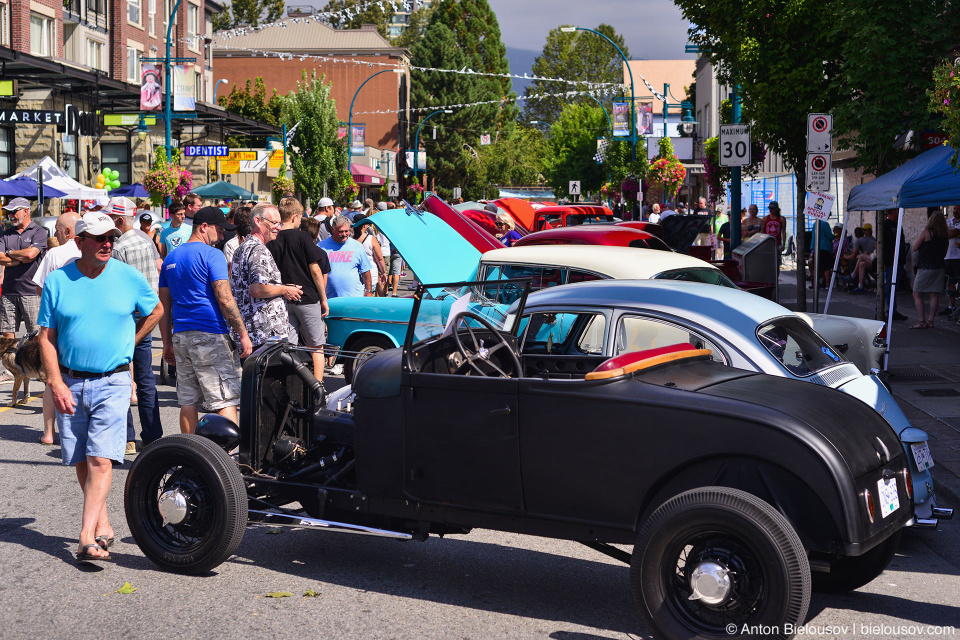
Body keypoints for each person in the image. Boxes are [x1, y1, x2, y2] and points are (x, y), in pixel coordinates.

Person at [36, 211, 162, 562]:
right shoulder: (59, 281)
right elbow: (46, 336)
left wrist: (132, 341)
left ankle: (86, 536)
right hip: (71, 381)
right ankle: (104, 524)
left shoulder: (128, 277)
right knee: (81, 458)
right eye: (99, 238)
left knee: (100, 460)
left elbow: (156, 310)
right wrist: (55, 381)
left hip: (114, 380)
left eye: (111, 237)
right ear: (79, 242)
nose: (107, 243)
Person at [159, 207, 253, 434]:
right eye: (219, 231)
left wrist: (167, 343)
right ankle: (226, 460)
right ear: (204, 227)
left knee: (188, 400)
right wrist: (243, 334)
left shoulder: (171, 257)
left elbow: (164, 306)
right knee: (224, 399)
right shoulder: (213, 255)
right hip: (210, 333)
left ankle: (190, 456)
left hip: (181, 335)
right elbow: (225, 298)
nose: (221, 237)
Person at [110, 205, 164, 453]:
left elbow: (116, 287)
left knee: (122, 378)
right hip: (147, 314)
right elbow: (154, 276)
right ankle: (152, 435)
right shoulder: (145, 241)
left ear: (120, 220)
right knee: (145, 380)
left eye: (111, 220)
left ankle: (128, 439)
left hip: (126, 319)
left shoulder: (119, 247)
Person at [29, 212, 81, 446]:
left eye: (57, 230)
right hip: (83, 324)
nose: (55, 235)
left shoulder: (55, 253)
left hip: (57, 324)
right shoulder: (90, 251)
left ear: (68, 232)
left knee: (54, 378)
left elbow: (41, 289)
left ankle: (49, 433)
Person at [267, 197, 330, 381]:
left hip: (283, 298)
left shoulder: (272, 239)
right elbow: (315, 269)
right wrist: (324, 298)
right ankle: (318, 389)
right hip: (308, 297)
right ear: (295, 217)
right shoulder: (303, 236)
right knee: (316, 346)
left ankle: (291, 386)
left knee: (289, 347)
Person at [230, 203, 300, 352]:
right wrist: (284, 289)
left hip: (254, 332)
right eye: (274, 223)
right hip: (264, 335)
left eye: (279, 223)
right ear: (257, 221)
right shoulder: (258, 250)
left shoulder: (242, 247)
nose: (278, 227)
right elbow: (257, 289)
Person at [317, 215, 373, 375]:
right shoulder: (322, 246)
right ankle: (331, 360)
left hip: (353, 299)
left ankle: (345, 361)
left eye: (347, 231)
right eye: (341, 231)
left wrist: (368, 291)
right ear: (333, 230)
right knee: (331, 331)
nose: (344, 234)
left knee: (351, 330)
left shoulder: (356, 246)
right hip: (330, 299)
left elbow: (366, 271)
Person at [0, 197, 47, 384]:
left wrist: (10, 255)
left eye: (14, 211)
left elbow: (31, 254)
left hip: (30, 289)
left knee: (34, 333)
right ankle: (11, 368)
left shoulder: (39, 232)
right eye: (9, 212)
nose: (11, 215)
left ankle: (37, 365)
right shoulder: (6, 233)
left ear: (26, 211)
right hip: (9, 289)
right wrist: (19, 259)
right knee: (7, 332)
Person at [910, 212, 949, 329]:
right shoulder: (945, 236)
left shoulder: (926, 233)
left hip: (925, 267)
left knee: (917, 293)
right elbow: (945, 253)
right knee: (934, 294)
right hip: (939, 267)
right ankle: (931, 321)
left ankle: (922, 321)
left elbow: (914, 248)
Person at [882, 210, 909, 321]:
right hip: (889, 262)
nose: (899, 215)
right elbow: (881, 244)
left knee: (893, 287)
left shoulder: (898, 226)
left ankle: (893, 311)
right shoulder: (885, 226)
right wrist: (883, 262)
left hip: (899, 261)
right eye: (897, 212)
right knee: (887, 287)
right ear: (891, 213)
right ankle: (880, 310)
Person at [354, 216, 389, 295]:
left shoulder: (350, 239)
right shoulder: (371, 239)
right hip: (370, 275)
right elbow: (379, 259)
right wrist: (383, 272)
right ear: (364, 225)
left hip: (354, 276)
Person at [847, 224, 877, 294]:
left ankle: (853, 275)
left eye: (865, 230)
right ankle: (860, 286)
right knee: (862, 264)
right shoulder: (873, 240)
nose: (863, 231)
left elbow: (853, 255)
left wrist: (845, 257)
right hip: (872, 261)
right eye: (863, 230)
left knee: (859, 258)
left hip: (876, 261)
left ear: (870, 230)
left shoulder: (861, 241)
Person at [223, 205, 252, 273]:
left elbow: (230, 273)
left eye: (227, 218)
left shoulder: (231, 244)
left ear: (234, 221)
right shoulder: (262, 240)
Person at [943, 205, 960, 317]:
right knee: (950, 282)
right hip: (947, 256)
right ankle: (951, 306)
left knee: (958, 281)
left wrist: (949, 232)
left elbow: (950, 233)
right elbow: (941, 233)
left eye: (958, 209)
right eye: (954, 209)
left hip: (958, 257)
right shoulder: (948, 221)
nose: (955, 211)